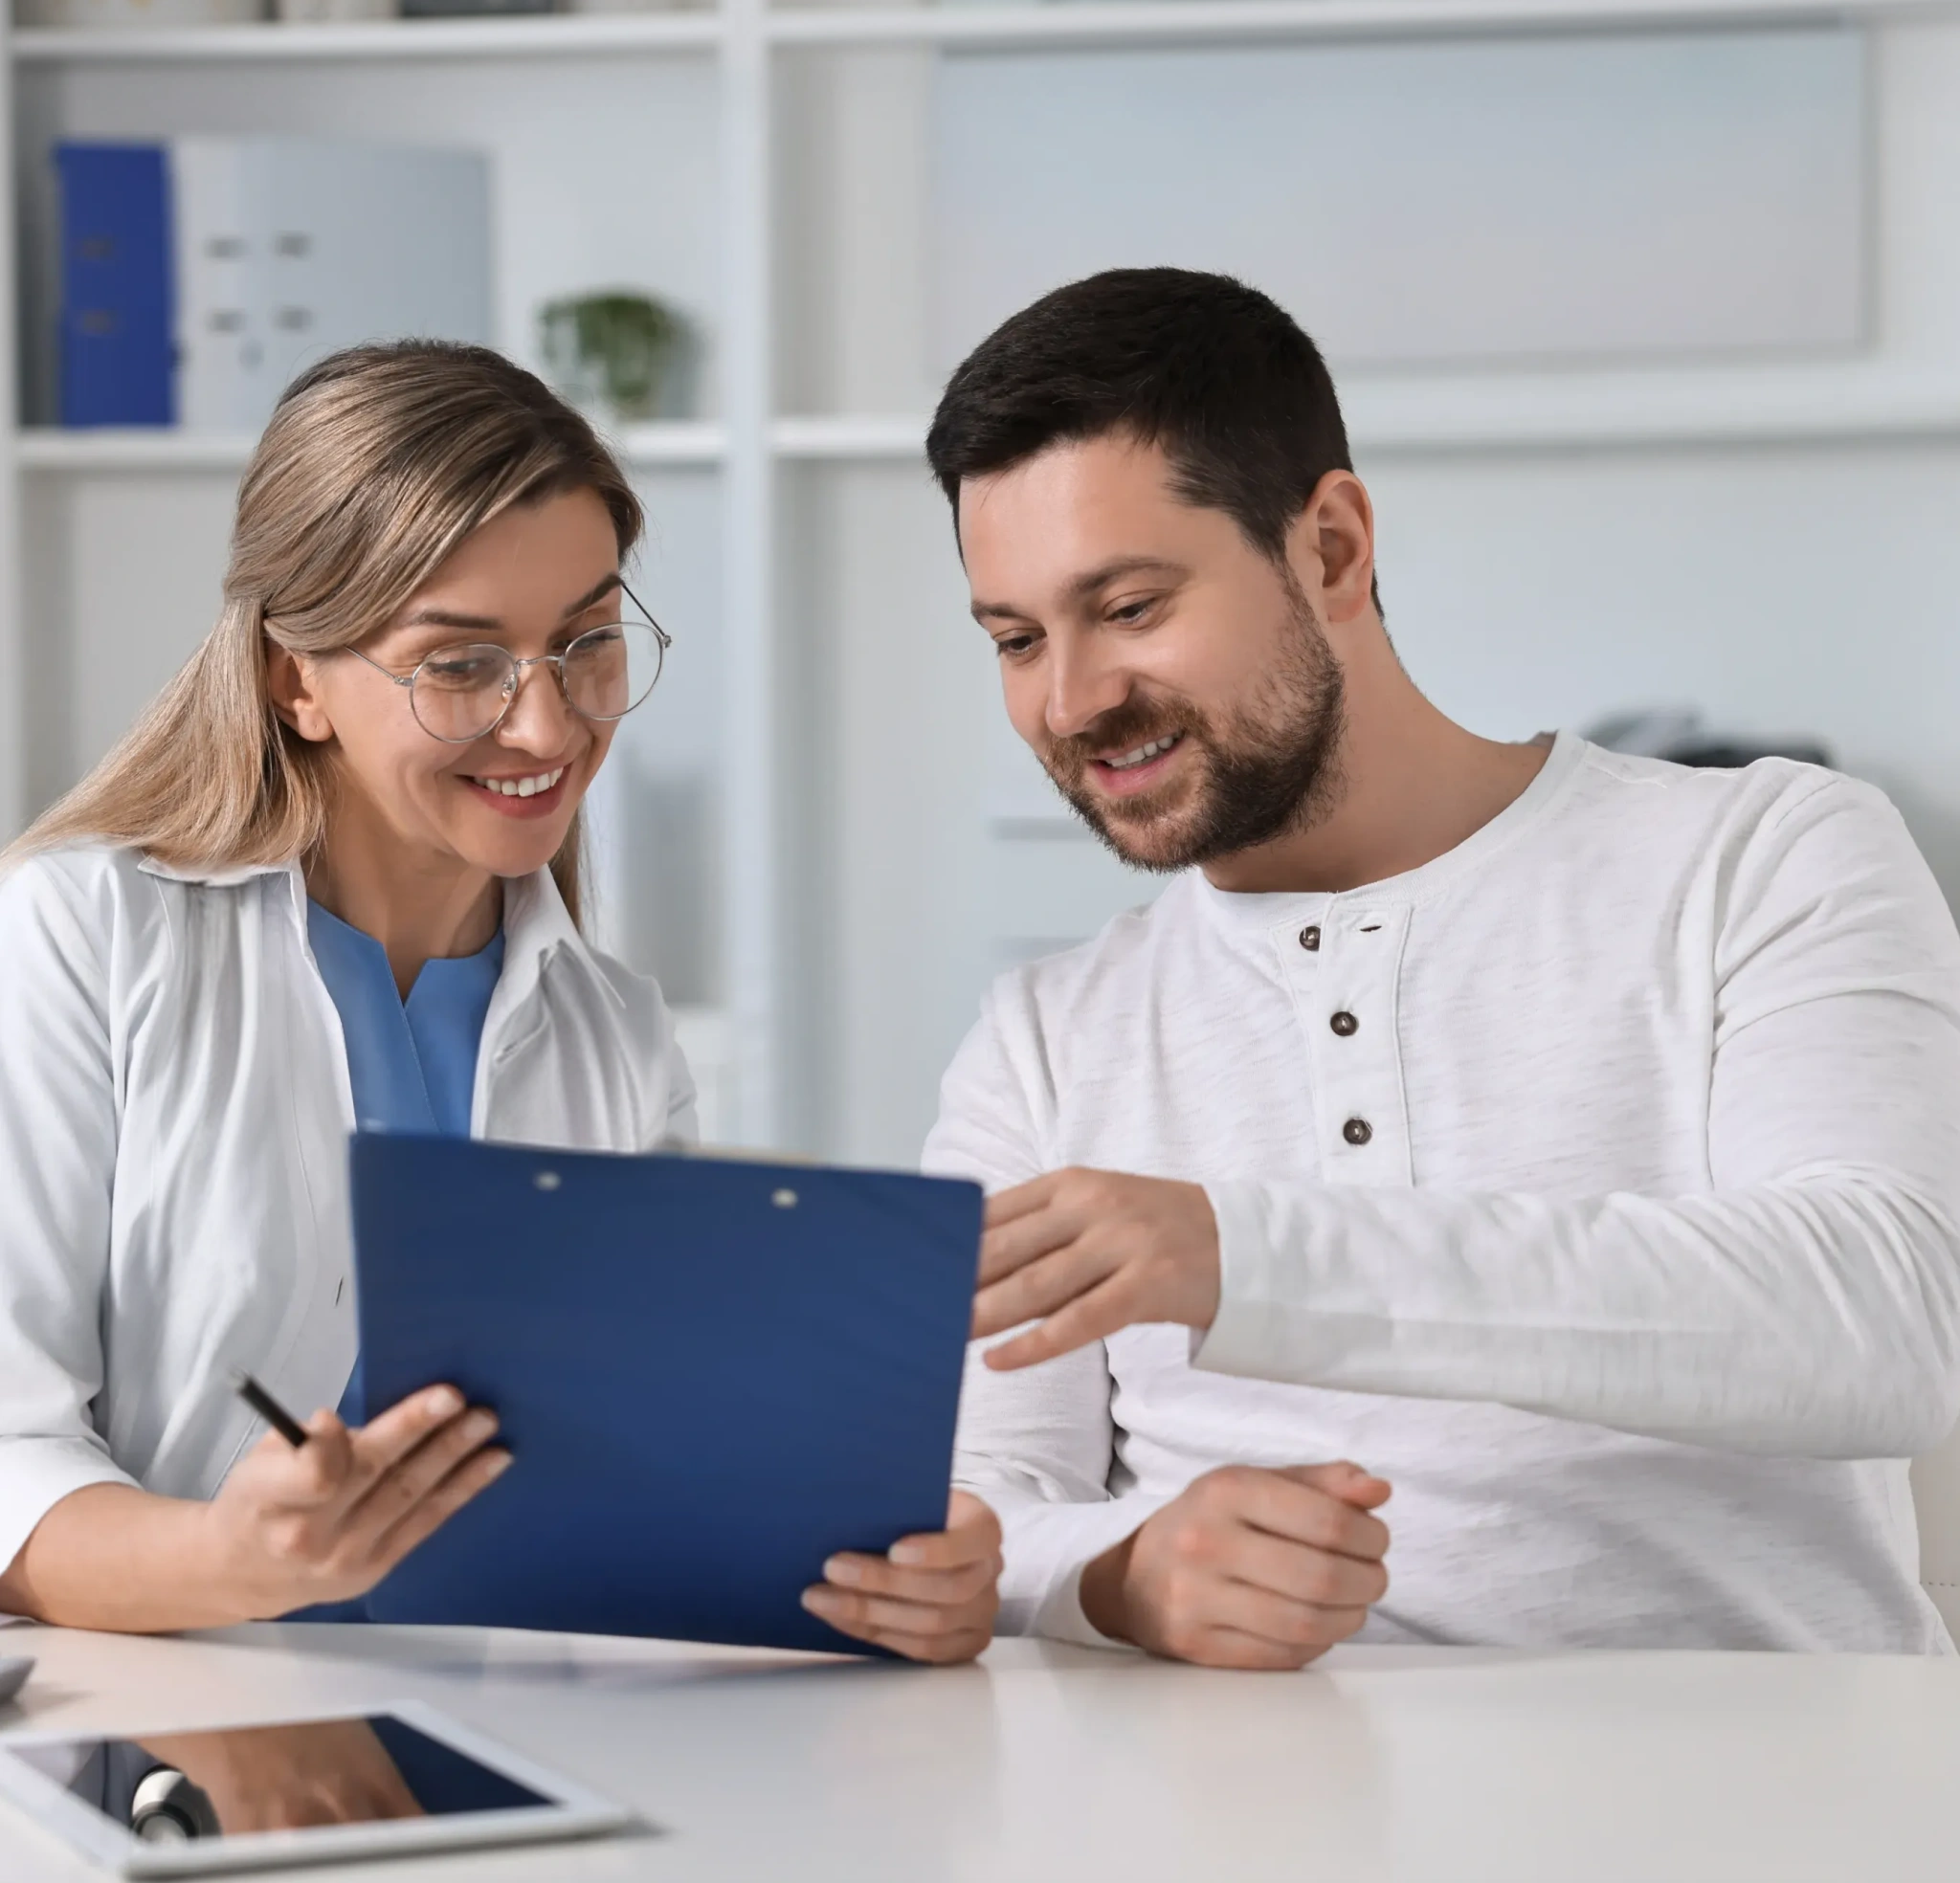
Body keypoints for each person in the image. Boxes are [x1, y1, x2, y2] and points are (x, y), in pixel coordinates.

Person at [920, 268, 1960, 1669]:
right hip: (1239, 1823)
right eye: (1017, 639)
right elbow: (972, 1513)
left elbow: (1884, 1325)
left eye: (1132, 606)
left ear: (1333, 550)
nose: (1070, 700)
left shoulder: (1764, 853)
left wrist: (1243, 1253)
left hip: (1757, 1808)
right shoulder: (1043, 1035)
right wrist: (1121, 1574)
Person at [0, 341, 1000, 1661]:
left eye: (586, 642)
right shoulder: (85, 933)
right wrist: (229, 1559)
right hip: (177, 1735)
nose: (548, 726)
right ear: (296, 680)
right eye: (460, 664)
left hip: (511, 1722)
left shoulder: (615, 1034)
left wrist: (897, 1569)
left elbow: (648, 1483)